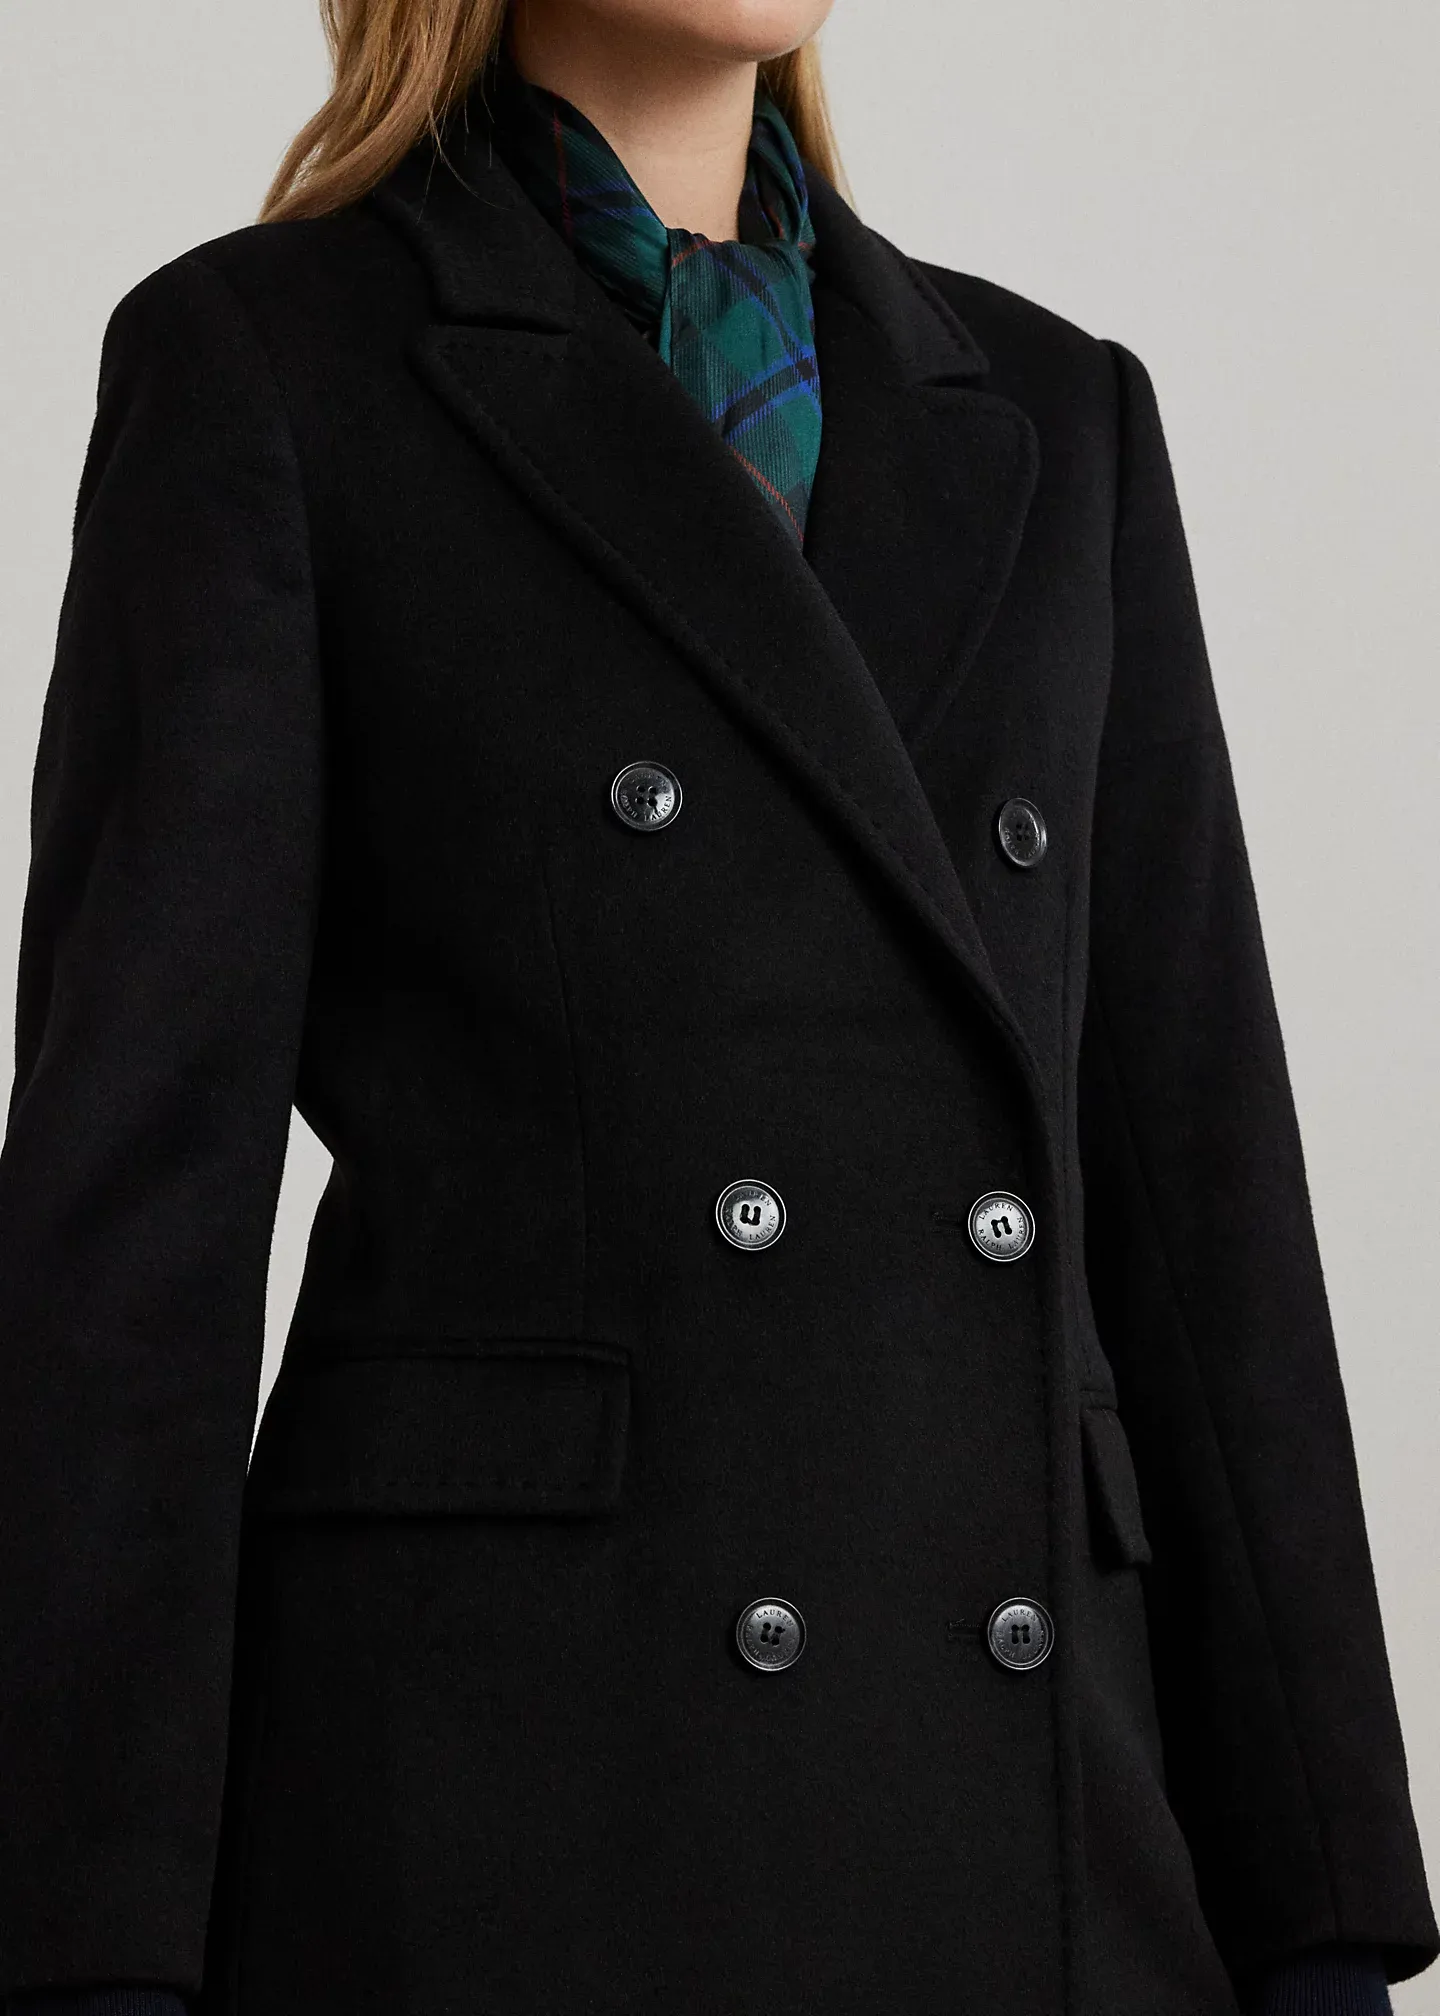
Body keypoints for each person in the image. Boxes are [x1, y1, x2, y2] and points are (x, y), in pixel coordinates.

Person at [0, 1, 1434, 2011]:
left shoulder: (1058, 414)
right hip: (515, 1824)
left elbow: (1206, 1201)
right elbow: (131, 1235)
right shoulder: (271, 368)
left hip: (1048, 1838)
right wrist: (89, 1954)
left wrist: (1327, 1917)